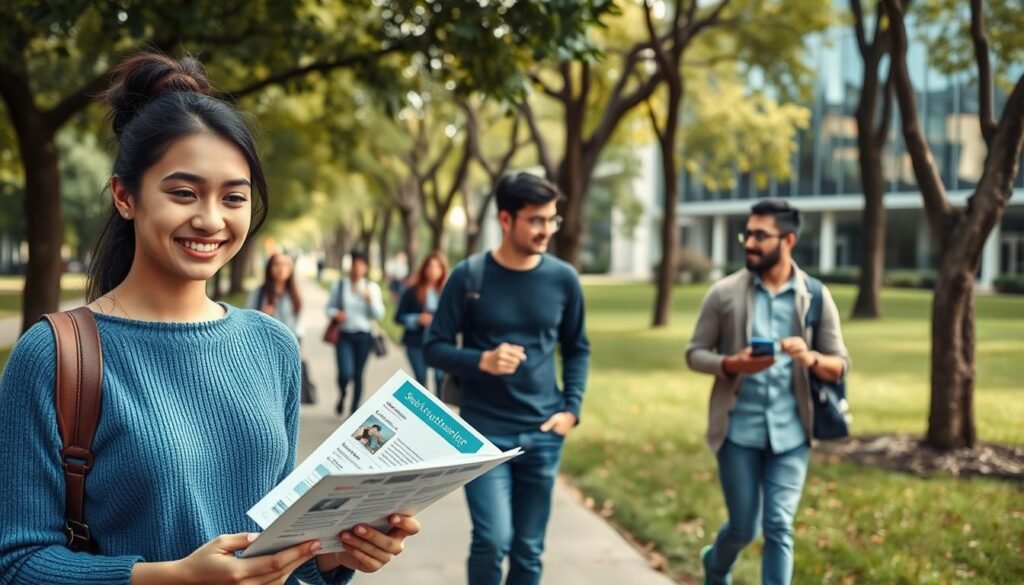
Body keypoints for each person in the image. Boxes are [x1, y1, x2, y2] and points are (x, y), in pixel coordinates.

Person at [0, 53, 418, 585]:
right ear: (125, 197)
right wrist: (171, 577)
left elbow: (272, 544)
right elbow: (16, 563)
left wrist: (334, 555)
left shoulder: (272, 345)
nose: (211, 219)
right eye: (183, 193)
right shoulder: (55, 355)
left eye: (233, 197)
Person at [424, 172, 590, 585]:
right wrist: (482, 360)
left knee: (529, 550)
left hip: (543, 430)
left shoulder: (563, 278)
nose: (546, 230)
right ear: (505, 219)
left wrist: (572, 410)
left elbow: (577, 348)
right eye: (535, 220)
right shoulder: (469, 276)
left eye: (552, 219)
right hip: (483, 434)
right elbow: (435, 346)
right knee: (492, 539)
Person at [686, 199, 851, 585]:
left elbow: (840, 364)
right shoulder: (724, 293)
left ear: (788, 239)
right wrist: (731, 365)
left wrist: (808, 357)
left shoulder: (816, 295)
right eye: (748, 234)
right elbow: (694, 354)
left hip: (792, 433)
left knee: (779, 525)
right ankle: (715, 564)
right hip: (737, 431)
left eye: (761, 235)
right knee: (745, 528)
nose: (750, 243)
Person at [326, 250, 385, 417]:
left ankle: (354, 410)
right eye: (354, 264)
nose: (357, 268)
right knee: (345, 373)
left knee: (359, 374)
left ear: (366, 267)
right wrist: (335, 313)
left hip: (364, 336)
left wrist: (370, 300)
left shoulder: (372, 287)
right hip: (344, 335)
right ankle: (343, 394)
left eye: (361, 265)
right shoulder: (340, 285)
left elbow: (379, 315)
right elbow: (329, 307)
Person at [394, 251, 448, 392]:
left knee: (440, 380)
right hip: (415, 342)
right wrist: (416, 319)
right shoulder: (412, 291)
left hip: (440, 343)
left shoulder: (447, 293)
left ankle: (437, 413)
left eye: (437, 267)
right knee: (421, 381)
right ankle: (422, 413)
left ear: (442, 270)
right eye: (429, 266)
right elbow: (398, 317)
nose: (432, 271)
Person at [248, 253, 302, 338]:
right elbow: (247, 320)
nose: (281, 268)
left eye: (285, 265)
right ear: (269, 268)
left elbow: (297, 322)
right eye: (277, 264)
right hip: (265, 343)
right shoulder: (259, 293)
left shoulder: (294, 294)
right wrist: (261, 315)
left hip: (288, 344)